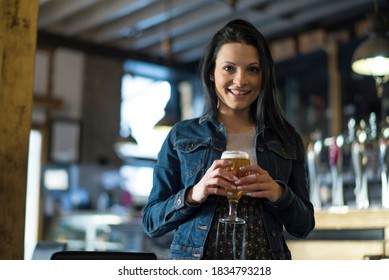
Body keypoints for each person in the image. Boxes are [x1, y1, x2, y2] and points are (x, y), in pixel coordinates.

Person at [142, 19, 315, 260]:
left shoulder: (287, 138)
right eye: (229, 68)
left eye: (252, 69)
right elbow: (151, 222)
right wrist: (194, 193)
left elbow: (304, 225)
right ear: (212, 73)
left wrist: (278, 194)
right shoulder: (180, 136)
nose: (241, 80)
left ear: (263, 76)